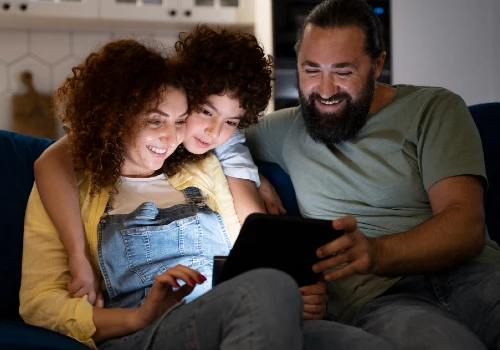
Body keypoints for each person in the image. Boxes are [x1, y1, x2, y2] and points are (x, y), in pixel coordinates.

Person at [23, 28, 395, 350]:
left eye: (181, 120)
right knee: (263, 289)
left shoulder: (207, 167)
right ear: (116, 118)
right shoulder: (71, 189)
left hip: (235, 314)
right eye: (156, 120)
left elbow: (254, 254)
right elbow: (40, 303)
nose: (172, 136)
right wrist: (136, 318)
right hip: (145, 333)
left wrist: (294, 292)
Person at [245, 0, 500, 349]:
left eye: (344, 71)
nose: (325, 89)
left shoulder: (433, 108)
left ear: (377, 64)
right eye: (311, 69)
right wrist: (248, 174)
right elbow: (212, 136)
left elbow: (465, 226)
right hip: (381, 300)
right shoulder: (285, 129)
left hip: (473, 275)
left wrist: (375, 252)